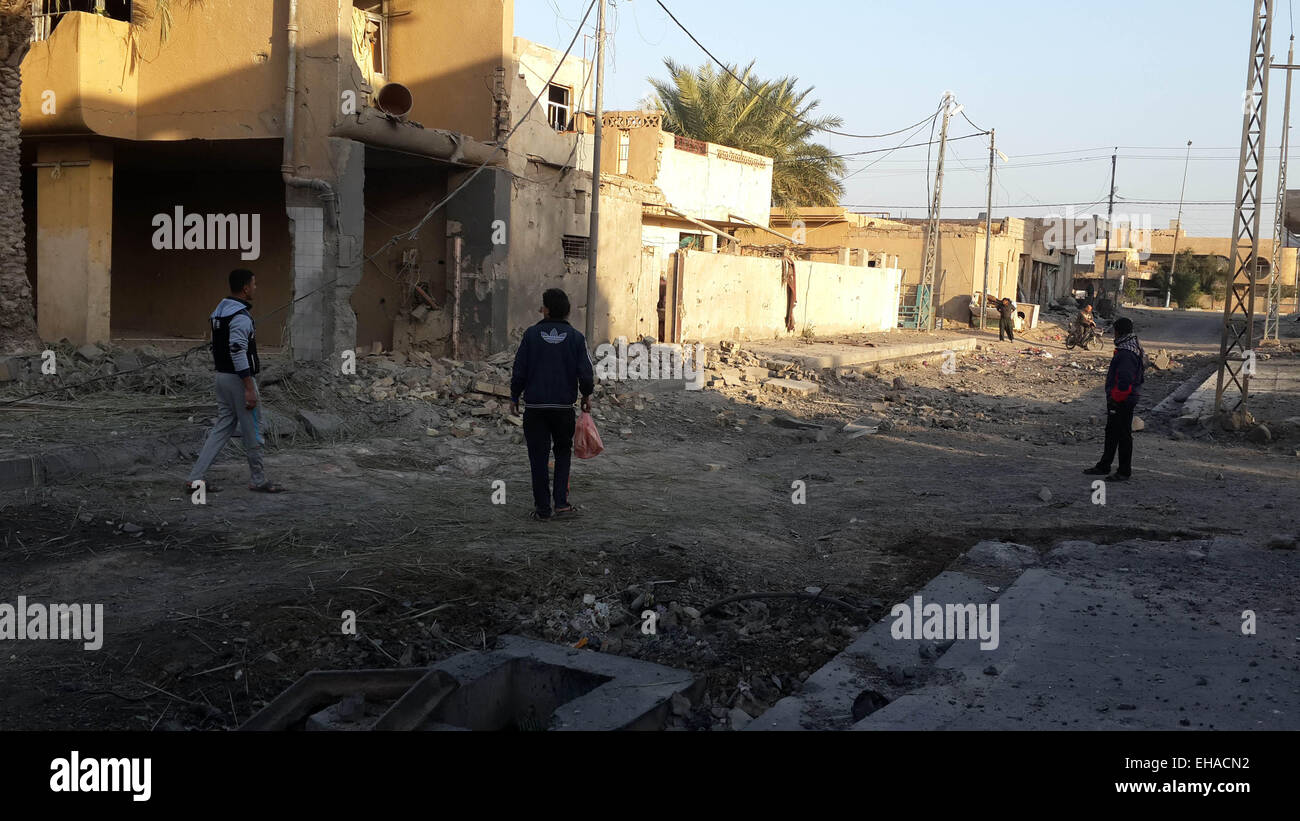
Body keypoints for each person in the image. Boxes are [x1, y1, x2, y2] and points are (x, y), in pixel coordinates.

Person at [185, 269, 284, 496]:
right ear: (246, 288)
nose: (256, 288)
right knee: (253, 430)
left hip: (222, 378)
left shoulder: (218, 313)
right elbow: (238, 350)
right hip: (239, 380)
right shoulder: (240, 316)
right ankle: (258, 479)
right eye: (254, 284)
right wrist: (249, 387)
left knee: (222, 428)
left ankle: (195, 478)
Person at [510, 288, 595, 521]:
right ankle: (561, 504)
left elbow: (519, 371)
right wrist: (586, 396)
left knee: (537, 459)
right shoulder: (577, 338)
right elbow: (586, 374)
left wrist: (514, 397)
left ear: (546, 309)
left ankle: (542, 510)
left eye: (542, 305)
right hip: (563, 410)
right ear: (567, 311)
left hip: (535, 409)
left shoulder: (531, 335)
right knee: (562, 454)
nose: (540, 309)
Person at [1083, 316, 1145, 481]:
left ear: (1119, 332)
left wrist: (1116, 398)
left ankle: (1124, 471)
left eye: (1115, 332)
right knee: (1112, 432)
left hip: (1122, 400)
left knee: (1122, 434)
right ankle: (1104, 465)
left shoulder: (1126, 353)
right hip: (1123, 398)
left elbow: (1124, 380)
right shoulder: (1131, 347)